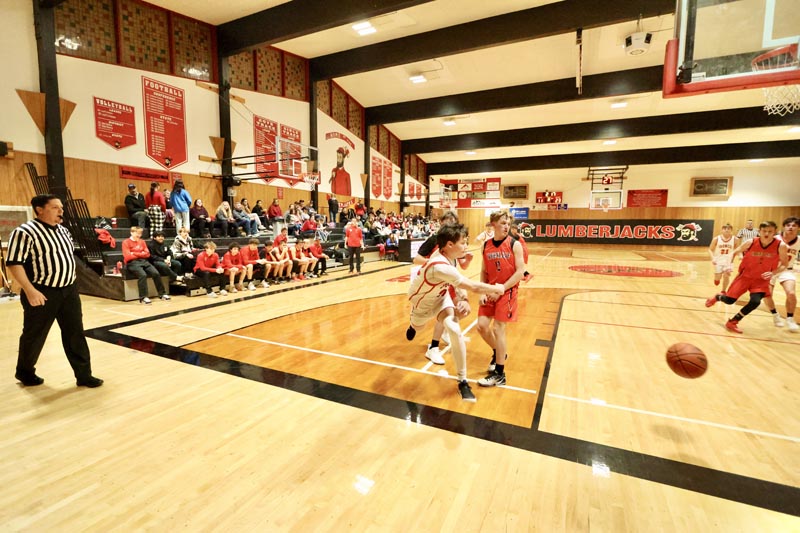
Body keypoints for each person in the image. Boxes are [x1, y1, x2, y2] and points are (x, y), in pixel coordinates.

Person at [7, 194, 103, 388]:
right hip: (42, 292)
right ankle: (25, 372)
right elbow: (14, 263)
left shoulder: (64, 231)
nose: (61, 211)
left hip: (69, 291)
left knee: (75, 333)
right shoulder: (24, 232)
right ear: (40, 210)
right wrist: (30, 290)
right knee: (34, 335)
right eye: (55, 207)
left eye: (61, 207)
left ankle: (84, 375)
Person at [406, 223, 504, 402]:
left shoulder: (450, 258)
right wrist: (497, 288)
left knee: (454, 329)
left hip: (440, 298)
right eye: (463, 243)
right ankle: (413, 325)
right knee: (418, 328)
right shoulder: (439, 265)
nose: (466, 246)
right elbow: (473, 286)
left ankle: (462, 381)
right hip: (421, 304)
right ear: (449, 244)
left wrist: (463, 298)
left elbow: (456, 282)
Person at [705, 220, 789, 334]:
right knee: (729, 301)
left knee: (755, 302)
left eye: (770, 231)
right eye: (764, 231)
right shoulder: (751, 242)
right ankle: (718, 297)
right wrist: (729, 265)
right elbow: (734, 252)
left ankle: (733, 321)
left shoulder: (780, 245)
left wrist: (773, 273)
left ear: (775, 232)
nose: (767, 233)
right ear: (759, 231)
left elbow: (785, 264)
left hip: (761, 280)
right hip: (745, 276)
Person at [476, 210, 526, 387]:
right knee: (482, 326)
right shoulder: (485, 245)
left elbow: (520, 272)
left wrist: (502, 288)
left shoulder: (514, 244)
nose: (507, 226)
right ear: (493, 224)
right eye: (503, 223)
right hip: (490, 289)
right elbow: (483, 271)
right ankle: (499, 352)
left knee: (498, 328)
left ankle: (500, 374)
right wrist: (483, 291)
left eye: (508, 223)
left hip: (507, 290)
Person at [762, 216, 799, 332]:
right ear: (784, 227)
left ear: (798, 228)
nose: (791, 227)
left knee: (791, 293)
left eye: (794, 225)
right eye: (788, 225)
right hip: (770, 270)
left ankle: (790, 318)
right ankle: (775, 315)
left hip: (786, 269)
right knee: (767, 295)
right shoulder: (774, 239)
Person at [122, 226, 170, 304]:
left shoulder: (142, 241)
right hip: (132, 263)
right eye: (137, 233)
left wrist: (134, 253)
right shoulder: (126, 242)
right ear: (131, 233)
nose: (139, 235)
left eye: (140, 233)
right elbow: (127, 256)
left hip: (144, 261)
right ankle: (143, 297)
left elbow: (147, 254)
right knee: (142, 275)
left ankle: (162, 294)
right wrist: (141, 253)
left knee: (156, 273)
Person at [708, 223, 737, 294]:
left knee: (726, 276)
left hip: (728, 261)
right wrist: (713, 258)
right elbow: (710, 250)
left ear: (731, 230)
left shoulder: (735, 239)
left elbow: (737, 249)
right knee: (717, 278)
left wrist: (740, 255)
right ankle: (717, 279)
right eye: (725, 229)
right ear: (722, 230)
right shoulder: (716, 239)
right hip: (718, 261)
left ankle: (723, 291)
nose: (727, 230)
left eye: (728, 229)